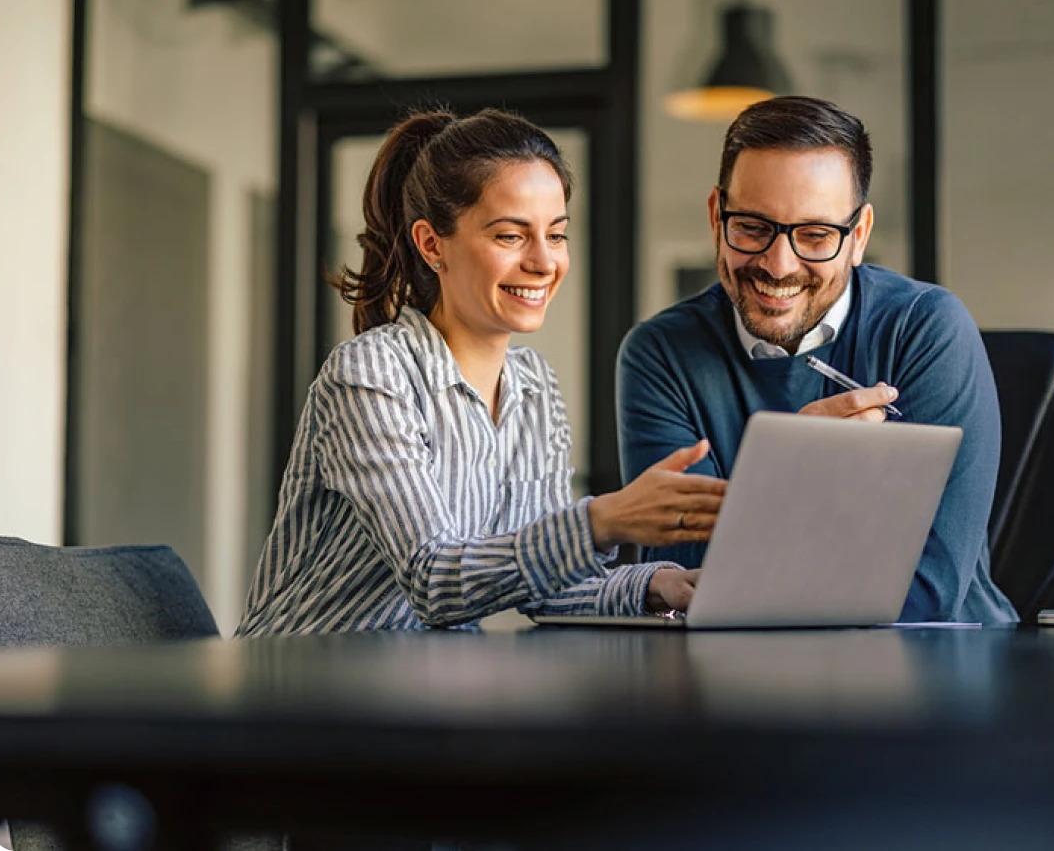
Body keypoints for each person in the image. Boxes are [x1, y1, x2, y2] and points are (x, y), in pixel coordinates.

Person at [237, 108, 725, 636]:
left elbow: (544, 583)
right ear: (432, 244)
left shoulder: (533, 385)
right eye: (511, 236)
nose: (544, 262)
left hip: (423, 687)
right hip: (299, 687)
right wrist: (603, 520)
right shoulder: (370, 373)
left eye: (556, 235)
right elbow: (434, 580)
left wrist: (660, 586)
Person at [617, 95, 1018, 625]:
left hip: (940, 668)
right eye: (753, 227)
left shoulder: (927, 330)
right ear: (717, 216)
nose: (779, 265)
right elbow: (690, 582)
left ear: (859, 236)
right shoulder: (660, 355)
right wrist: (794, 474)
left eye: (815, 235)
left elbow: (929, 586)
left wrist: (762, 525)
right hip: (740, 679)